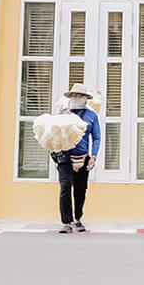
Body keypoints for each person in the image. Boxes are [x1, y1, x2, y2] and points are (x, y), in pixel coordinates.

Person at [51, 83, 100, 233]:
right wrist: (61, 119)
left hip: (83, 157)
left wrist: (93, 156)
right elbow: (54, 133)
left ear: (85, 99)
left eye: (79, 96)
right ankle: (66, 222)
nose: (76, 98)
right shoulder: (63, 113)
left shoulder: (92, 116)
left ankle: (78, 218)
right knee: (65, 187)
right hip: (65, 156)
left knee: (80, 190)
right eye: (73, 95)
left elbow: (96, 137)